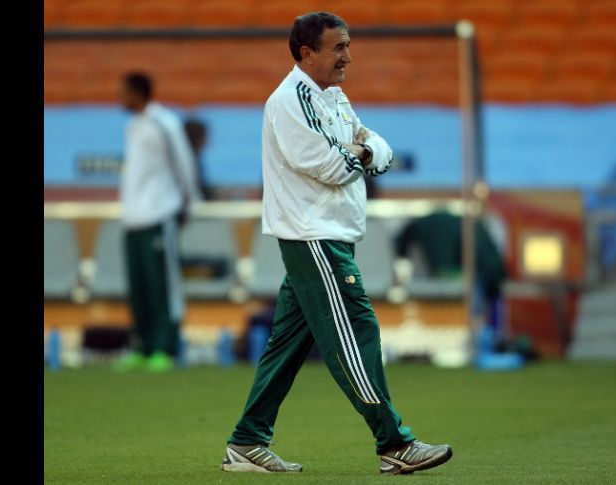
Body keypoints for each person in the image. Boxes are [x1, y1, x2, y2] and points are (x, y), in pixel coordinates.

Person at [220, 12, 452, 475]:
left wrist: (362, 152)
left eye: (348, 45)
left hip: (327, 236)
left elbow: (380, 153)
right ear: (307, 54)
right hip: (315, 238)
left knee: (285, 346)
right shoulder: (289, 101)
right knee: (357, 332)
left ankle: (247, 441)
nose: (348, 56)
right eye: (338, 47)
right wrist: (360, 152)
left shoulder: (333, 98)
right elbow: (331, 165)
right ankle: (395, 443)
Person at [113, 72, 202, 373]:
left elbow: (184, 164)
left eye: (125, 92)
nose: (121, 98)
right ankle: (143, 346)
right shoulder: (132, 126)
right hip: (133, 219)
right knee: (139, 288)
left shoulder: (164, 123)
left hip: (160, 215)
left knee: (162, 286)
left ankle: (165, 347)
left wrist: (189, 203)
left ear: (140, 93)